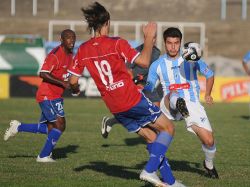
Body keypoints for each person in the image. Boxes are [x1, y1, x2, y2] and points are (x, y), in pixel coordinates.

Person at [68, 2, 185, 187]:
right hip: (131, 99)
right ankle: (149, 170)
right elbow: (145, 61)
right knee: (168, 128)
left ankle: (170, 181)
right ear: (106, 22)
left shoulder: (83, 49)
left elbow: (73, 82)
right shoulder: (117, 43)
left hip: (115, 107)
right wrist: (148, 38)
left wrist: (75, 90)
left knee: (152, 138)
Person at [145, 27, 219, 179]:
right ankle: (152, 170)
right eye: (169, 43)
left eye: (176, 43)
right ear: (165, 43)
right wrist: (141, 84)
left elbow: (209, 74)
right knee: (172, 94)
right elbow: (150, 87)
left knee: (209, 141)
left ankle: (209, 164)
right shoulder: (157, 65)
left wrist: (208, 94)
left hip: (191, 104)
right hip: (168, 104)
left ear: (180, 43)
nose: (173, 46)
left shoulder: (192, 58)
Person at [3, 29, 76, 163]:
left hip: (56, 96)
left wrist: (73, 87)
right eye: (68, 38)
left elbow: (66, 76)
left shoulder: (71, 55)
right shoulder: (55, 55)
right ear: (61, 40)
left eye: (73, 37)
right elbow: (43, 73)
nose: (71, 40)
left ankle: (18, 127)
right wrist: (63, 83)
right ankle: (43, 156)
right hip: (47, 94)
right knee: (60, 125)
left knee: (50, 128)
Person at [101, 44, 162, 139]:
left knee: (156, 112)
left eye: (154, 37)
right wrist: (134, 79)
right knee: (134, 113)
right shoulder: (139, 49)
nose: (153, 39)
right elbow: (128, 67)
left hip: (149, 84)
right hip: (135, 84)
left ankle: (155, 140)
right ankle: (154, 140)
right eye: (151, 36)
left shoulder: (156, 51)